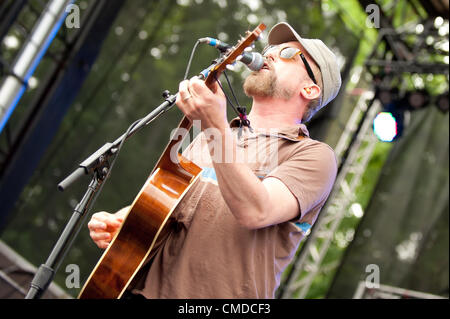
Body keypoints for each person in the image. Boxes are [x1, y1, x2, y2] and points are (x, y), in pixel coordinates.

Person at [87, 22, 342, 298]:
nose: (269, 54)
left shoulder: (314, 156)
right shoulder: (211, 133)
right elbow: (168, 206)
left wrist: (213, 124)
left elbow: (257, 210)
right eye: (270, 49)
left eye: (288, 54)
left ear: (310, 90)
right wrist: (126, 222)